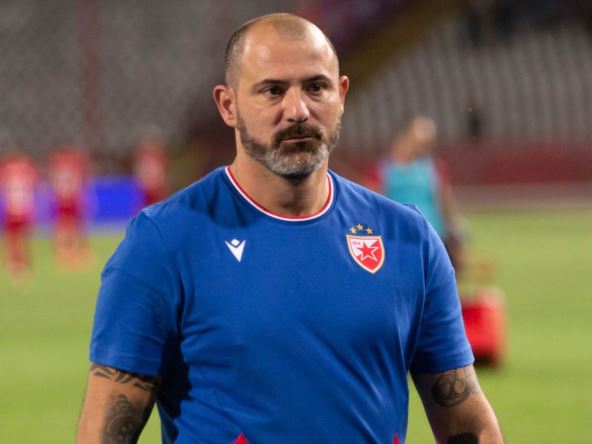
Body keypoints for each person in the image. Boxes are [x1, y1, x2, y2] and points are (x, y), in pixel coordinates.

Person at [77, 13, 503, 444]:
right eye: (272, 91)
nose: (297, 111)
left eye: (316, 87)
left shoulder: (408, 240)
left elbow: (468, 424)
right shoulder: (163, 243)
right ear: (228, 105)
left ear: (341, 95)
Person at [379, 115, 467, 275]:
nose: (426, 142)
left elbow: (444, 199)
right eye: (420, 136)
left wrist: (455, 228)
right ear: (404, 137)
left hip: (433, 236)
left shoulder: (432, 167)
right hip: (399, 239)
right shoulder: (383, 169)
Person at [48, 146, 91, 269]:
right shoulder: (73, 165)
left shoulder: (57, 165)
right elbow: (78, 182)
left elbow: (55, 181)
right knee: (71, 226)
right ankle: (69, 252)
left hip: (62, 197)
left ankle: (64, 251)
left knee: (65, 225)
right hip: (70, 198)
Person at [0, 150, 38, 280]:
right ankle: (19, 263)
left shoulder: (7, 170)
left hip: (14, 209)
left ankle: (16, 263)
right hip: (20, 209)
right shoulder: (25, 170)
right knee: (18, 239)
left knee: (14, 239)